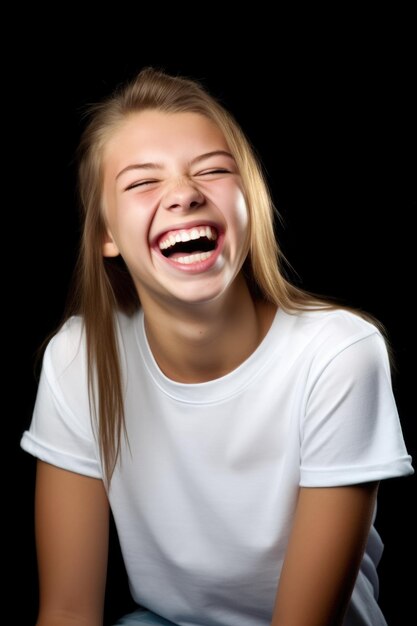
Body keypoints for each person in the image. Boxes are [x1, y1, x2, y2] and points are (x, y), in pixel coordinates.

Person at [21, 67, 413, 626]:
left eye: (213, 171)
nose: (184, 193)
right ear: (105, 234)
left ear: (248, 206)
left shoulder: (339, 353)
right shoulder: (78, 359)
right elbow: (66, 609)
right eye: (141, 182)